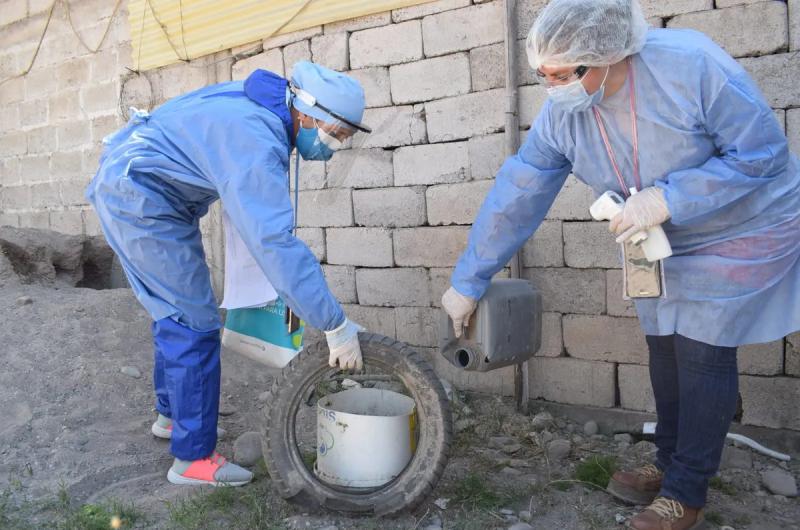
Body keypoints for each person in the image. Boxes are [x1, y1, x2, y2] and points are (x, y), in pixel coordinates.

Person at [441, 0, 800, 528]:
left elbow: (762, 155)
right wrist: (469, 279)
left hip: (743, 222)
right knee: (663, 340)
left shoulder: (693, 67)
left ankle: (686, 492)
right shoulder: (565, 114)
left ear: (608, 55)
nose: (551, 86)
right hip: (654, 234)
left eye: (563, 74)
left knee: (701, 341)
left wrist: (670, 197)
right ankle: (668, 460)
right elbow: (520, 191)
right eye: (543, 74)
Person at [86, 61, 370, 487]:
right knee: (194, 323)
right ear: (309, 115)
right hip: (141, 200)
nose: (334, 146)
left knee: (175, 309)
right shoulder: (256, 137)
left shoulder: (261, 109)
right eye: (337, 133)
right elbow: (274, 241)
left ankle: (172, 416)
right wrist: (334, 324)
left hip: (138, 186)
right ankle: (193, 460)